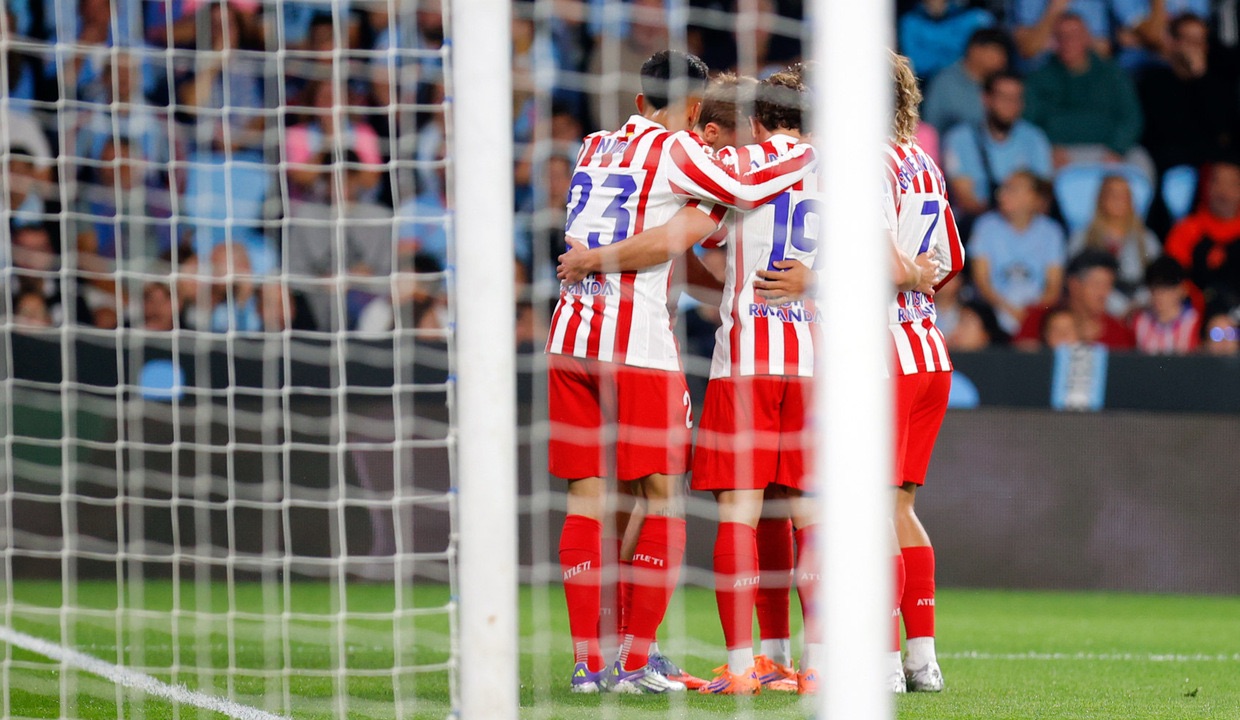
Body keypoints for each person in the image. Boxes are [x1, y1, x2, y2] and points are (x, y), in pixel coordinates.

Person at [547, 50, 816, 695]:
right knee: (663, 497)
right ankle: (635, 661)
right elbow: (737, 192)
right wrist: (807, 148)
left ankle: (590, 662)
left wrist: (602, 258)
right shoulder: (678, 149)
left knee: (590, 499)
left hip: (570, 336)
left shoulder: (593, 146)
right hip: (636, 345)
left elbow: (679, 235)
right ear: (695, 110)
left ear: (640, 99)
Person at [884, 51, 966, 695]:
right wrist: (918, 279)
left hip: (882, 354)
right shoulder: (923, 162)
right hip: (929, 348)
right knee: (900, 506)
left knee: (870, 510)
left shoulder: (861, 163)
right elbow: (952, 259)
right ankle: (922, 659)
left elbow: (880, 260)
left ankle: (883, 660)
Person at [1023, 13, 1149, 177]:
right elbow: (1028, 122)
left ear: (1087, 39)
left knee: (1140, 164)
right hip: (1058, 153)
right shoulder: (1039, 77)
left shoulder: (1112, 74)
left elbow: (1131, 117)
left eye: (1074, 35)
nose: (1068, 41)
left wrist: (1117, 149)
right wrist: (1048, 147)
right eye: (1061, 36)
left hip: (1107, 150)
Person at [942, 70, 1053, 222]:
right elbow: (965, 200)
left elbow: (1043, 198)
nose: (1010, 104)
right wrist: (998, 224)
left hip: (1026, 223)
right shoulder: (960, 138)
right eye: (1003, 97)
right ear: (986, 99)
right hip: (975, 223)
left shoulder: (1035, 138)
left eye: (1016, 98)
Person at [1138, 13, 1239, 175]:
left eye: (1201, 40)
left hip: (1214, 164)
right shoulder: (1154, 81)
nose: (1196, 47)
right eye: (1189, 40)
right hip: (1175, 164)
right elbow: (1166, 133)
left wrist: (1200, 76)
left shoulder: (1217, 81)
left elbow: (1223, 129)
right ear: (1172, 42)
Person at [968, 170, 1067, 335]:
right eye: (1003, 188)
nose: (1001, 195)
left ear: (1035, 198)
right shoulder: (985, 226)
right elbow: (982, 283)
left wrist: (1031, 315)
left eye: (1012, 189)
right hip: (994, 310)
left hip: (1036, 313)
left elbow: (1053, 287)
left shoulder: (1051, 232)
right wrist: (1010, 310)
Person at [1067, 174, 1161, 316]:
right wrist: (1117, 305)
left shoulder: (1147, 239)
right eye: (1113, 194)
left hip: (1140, 310)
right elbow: (1075, 280)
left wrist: (1137, 305)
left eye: (1124, 195)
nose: (1118, 200)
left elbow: (1157, 279)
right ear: (1101, 198)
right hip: (1098, 311)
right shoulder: (1082, 238)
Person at [1013, 250, 1137, 350]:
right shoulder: (1037, 318)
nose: (1104, 293)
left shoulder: (1119, 331)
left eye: (1108, 285)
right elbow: (1021, 361)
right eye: (1097, 284)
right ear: (1074, 285)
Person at [1163, 161, 1240, 314]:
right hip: (1193, 313)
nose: (1223, 192)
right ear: (1206, 186)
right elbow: (1172, 279)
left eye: (1232, 184)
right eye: (1216, 182)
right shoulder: (1186, 229)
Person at [920, 27, 1009, 134]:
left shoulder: (1002, 85)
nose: (1003, 60)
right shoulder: (944, 82)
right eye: (998, 52)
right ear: (976, 50)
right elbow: (930, 127)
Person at [898, 0, 996, 83]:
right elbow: (917, 63)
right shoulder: (909, 22)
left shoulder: (977, 19)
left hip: (973, 81)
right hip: (926, 85)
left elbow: (988, 56)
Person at [1131, 256, 1200, 354]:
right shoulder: (1140, 321)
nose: (1158, 296)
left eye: (1166, 290)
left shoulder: (1194, 322)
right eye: (1154, 289)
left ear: (1181, 289)